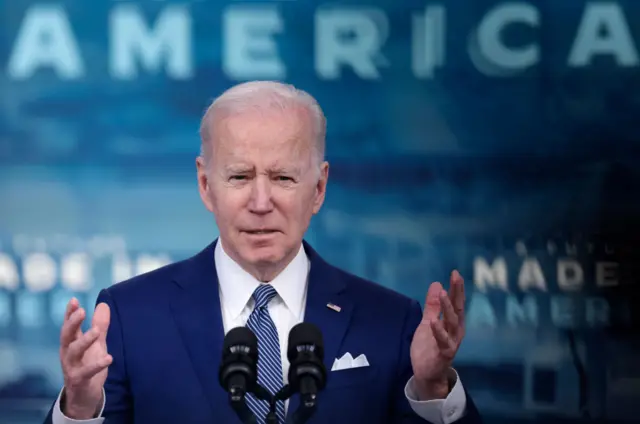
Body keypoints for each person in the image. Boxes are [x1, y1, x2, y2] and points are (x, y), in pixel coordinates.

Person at [44, 81, 482, 424]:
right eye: (239, 177)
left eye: (283, 179)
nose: (260, 202)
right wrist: (82, 408)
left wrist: (432, 390)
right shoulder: (129, 316)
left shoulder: (390, 322)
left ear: (319, 188)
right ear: (205, 185)